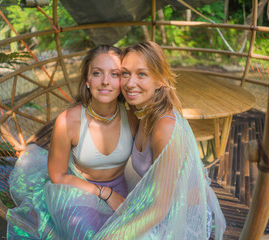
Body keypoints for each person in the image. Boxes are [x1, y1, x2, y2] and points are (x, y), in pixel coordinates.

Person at [93, 41, 226, 239]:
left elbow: (160, 207)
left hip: (178, 213)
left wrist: (114, 237)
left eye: (142, 74)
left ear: (160, 81)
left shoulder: (164, 128)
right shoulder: (139, 112)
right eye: (125, 73)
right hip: (155, 201)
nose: (130, 83)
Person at [7, 45, 137, 239]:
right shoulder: (68, 121)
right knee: (89, 234)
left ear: (123, 80)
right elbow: (58, 176)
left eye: (115, 74)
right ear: (87, 80)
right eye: (97, 73)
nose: (105, 82)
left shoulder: (134, 118)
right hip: (78, 191)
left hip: (123, 187)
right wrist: (106, 194)